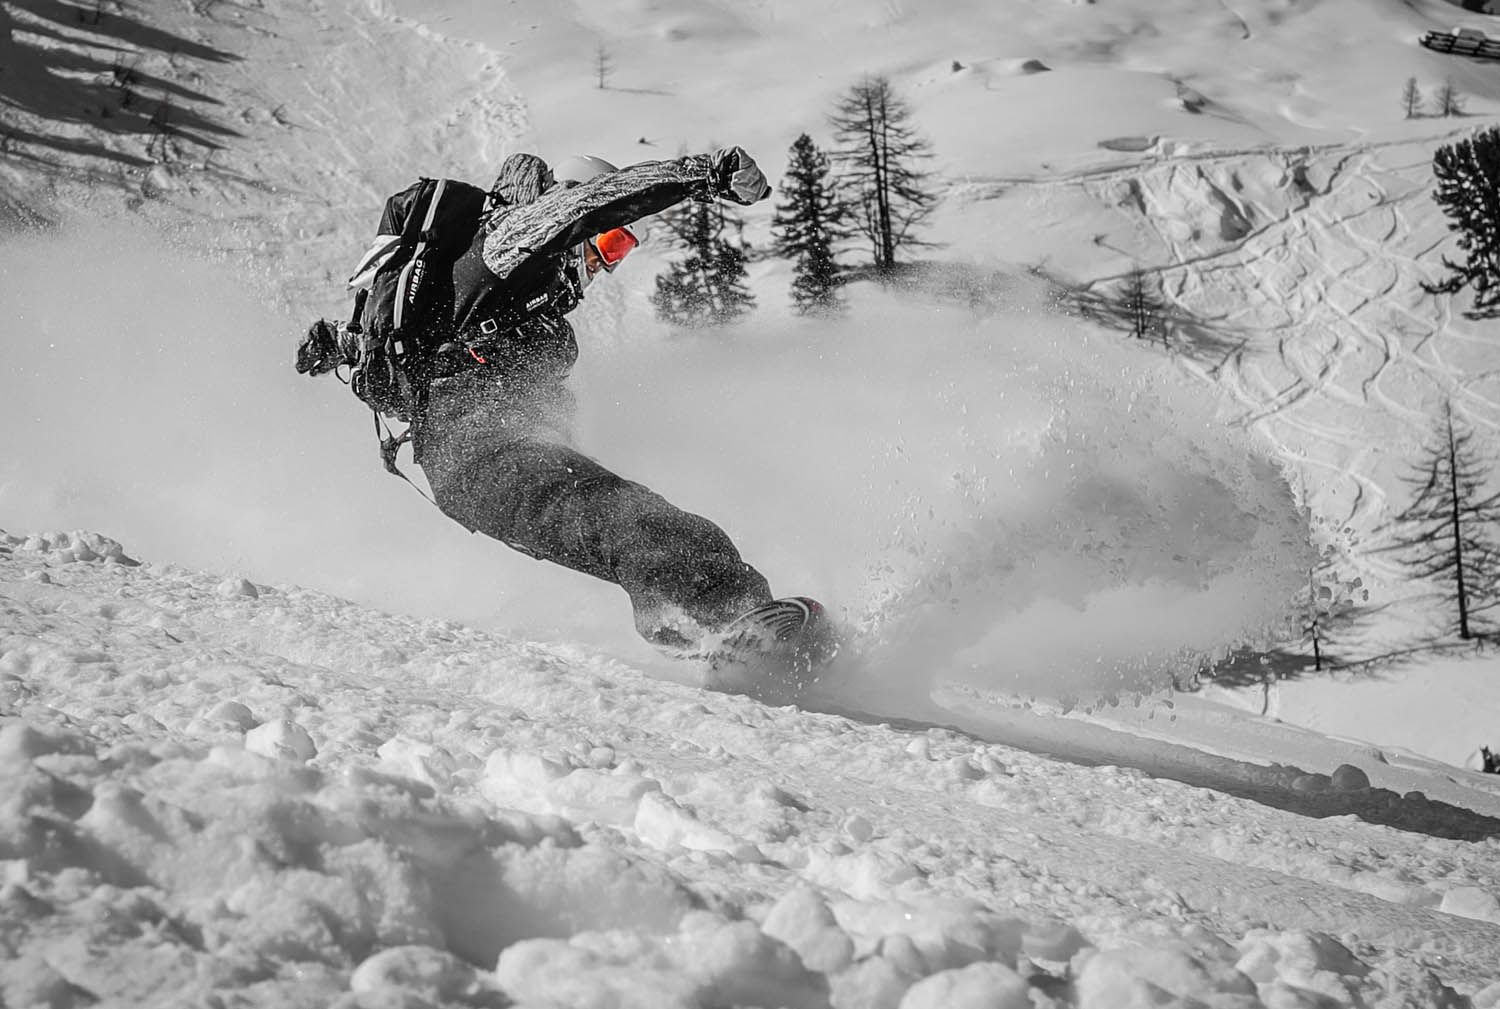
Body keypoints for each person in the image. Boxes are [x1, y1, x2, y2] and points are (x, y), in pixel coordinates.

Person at [298, 147, 784, 651]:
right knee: (638, 524)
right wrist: (703, 174)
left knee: (672, 529)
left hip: (498, 456)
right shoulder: (507, 240)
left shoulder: (524, 300)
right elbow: (590, 206)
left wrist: (338, 344)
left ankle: (723, 632)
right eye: (612, 241)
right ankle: (725, 623)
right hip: (477, 455)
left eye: (620, 252)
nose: (605, 265)